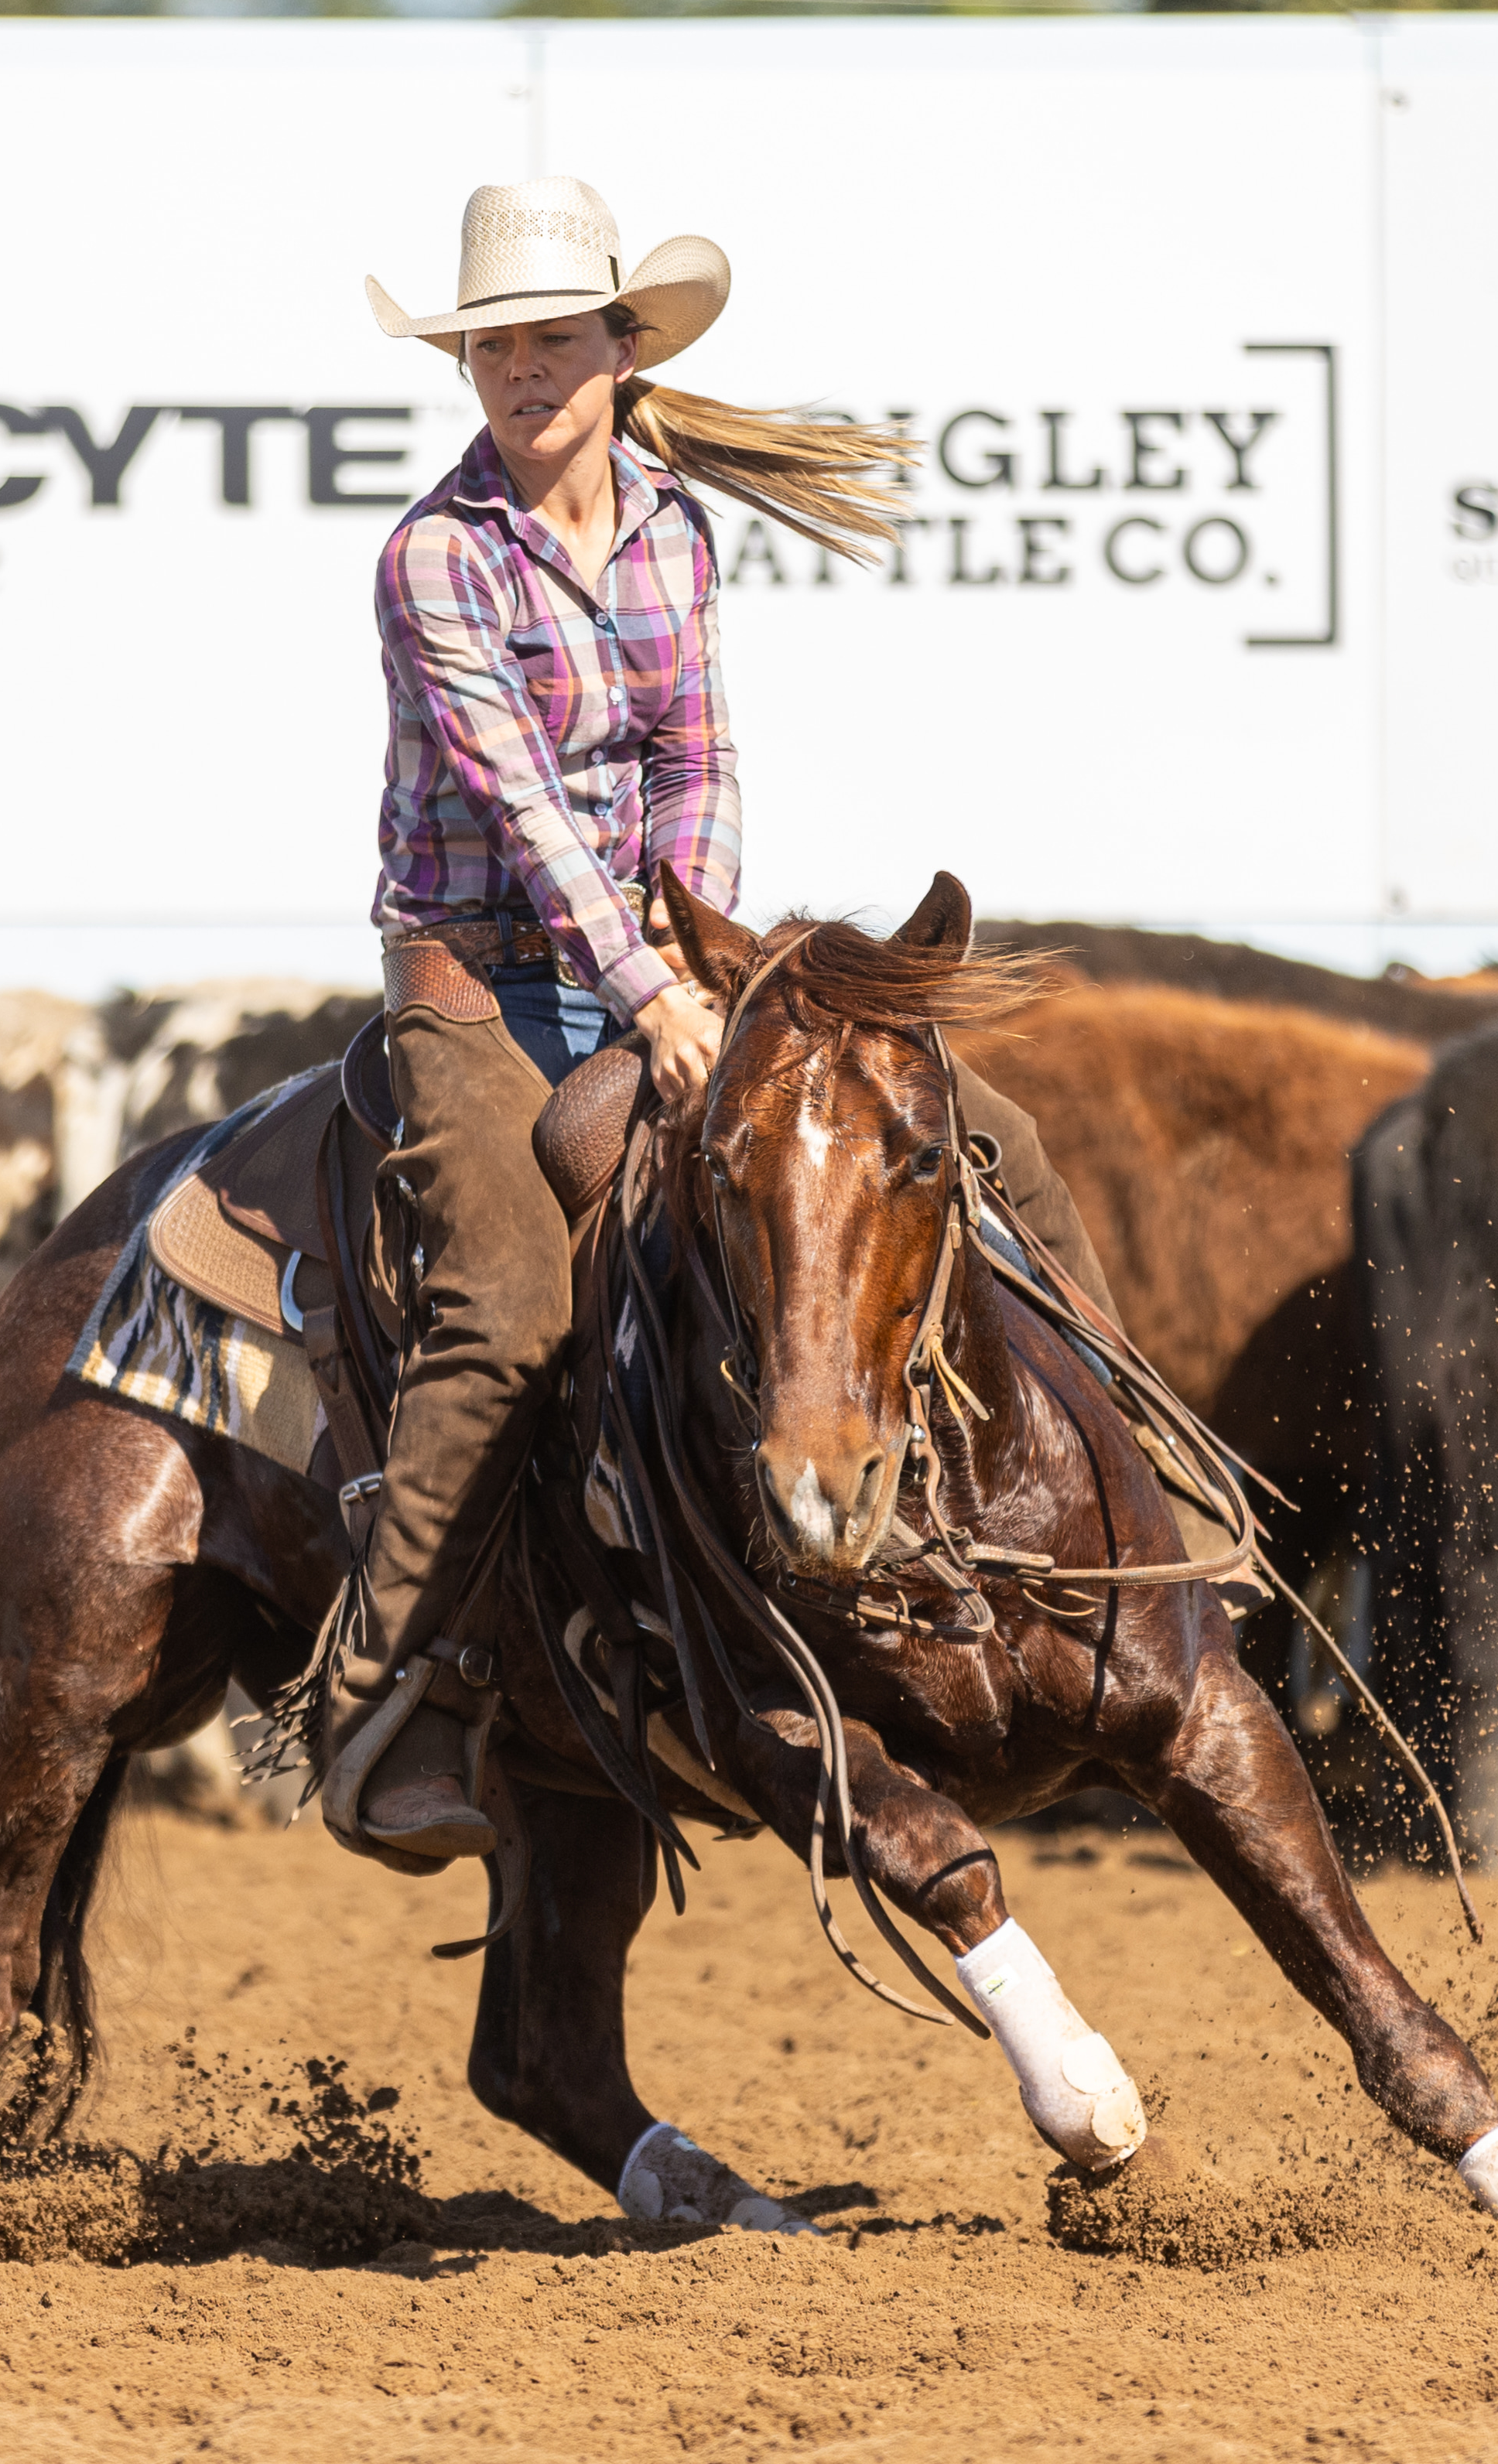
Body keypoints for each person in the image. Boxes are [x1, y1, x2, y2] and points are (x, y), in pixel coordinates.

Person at [320, 178, 1120, 1869]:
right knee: (504, 1307)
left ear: (621, 348)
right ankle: (382, 1694)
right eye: (491, 347)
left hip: (659, 958)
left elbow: (699, 754)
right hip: (474, 979)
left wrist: (700, 954)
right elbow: (527, 814)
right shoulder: (434, 559)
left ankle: (1140, 1507)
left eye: (552, 338)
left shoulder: (671, 526)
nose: (521, 370)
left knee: (989, 1143)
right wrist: (656, 991)